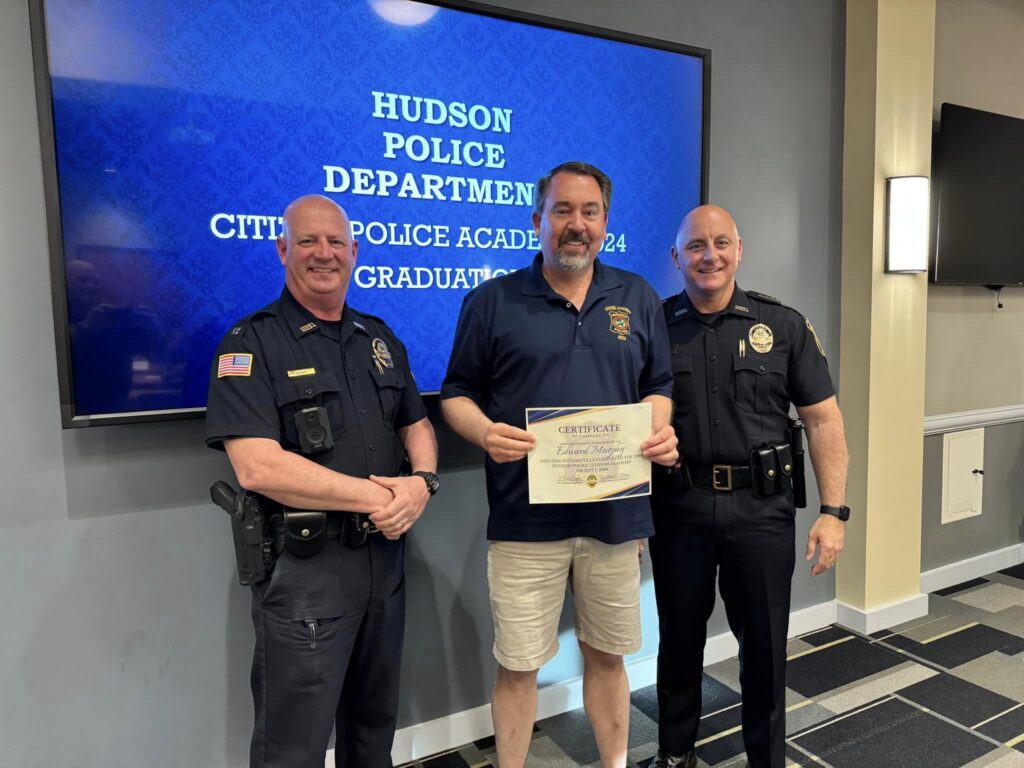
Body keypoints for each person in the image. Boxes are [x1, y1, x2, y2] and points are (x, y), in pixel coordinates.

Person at [440, 162, 679, 768]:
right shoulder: (491, 301)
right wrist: (485, 431)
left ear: (605, 222)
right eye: (563, 211)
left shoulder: (638, 297)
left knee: (608, 656)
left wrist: (658, 431)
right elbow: (456, 395)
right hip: (525, 522)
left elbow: (658, 385)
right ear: (537, 219)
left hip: (616, 519)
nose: (577, 225)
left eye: (589, 212)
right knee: (518, 665)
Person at [205, 194, 438, 768]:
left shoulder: (379, 339)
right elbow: (257, 465)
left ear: (354, 252)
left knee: (372, 733)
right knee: (293, 748)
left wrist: (423, 483)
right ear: (283, 248)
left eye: (336, 242)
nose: (324, 253)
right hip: (308, 576)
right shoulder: (250, 343)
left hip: (385, 569)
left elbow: (419, 425)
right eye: (307, 241)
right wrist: (380, 496)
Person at [649, 205, 849, 768]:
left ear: (740, 249)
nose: (708, 256)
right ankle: (675, 752)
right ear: (676, 257)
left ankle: (767, 759)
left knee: (763, 648)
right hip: (679, 507)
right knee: (679, 642)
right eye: (695, 246)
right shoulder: (654, 328)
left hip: (761, 510)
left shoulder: (782, 326)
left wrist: (834, 512)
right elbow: (630, 425)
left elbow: (824, 421)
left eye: (720, 243)